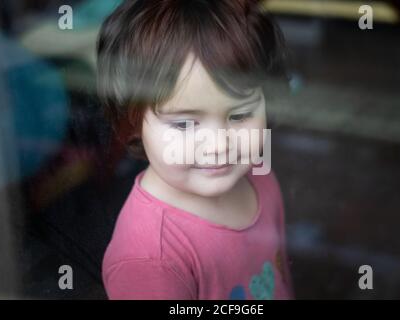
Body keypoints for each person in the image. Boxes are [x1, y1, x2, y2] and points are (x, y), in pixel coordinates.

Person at [97, 0, 293, 299]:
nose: (218, 146)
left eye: (239, 116)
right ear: (132, 121)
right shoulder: (149, 257)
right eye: (185, 125)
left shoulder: (261, 178)